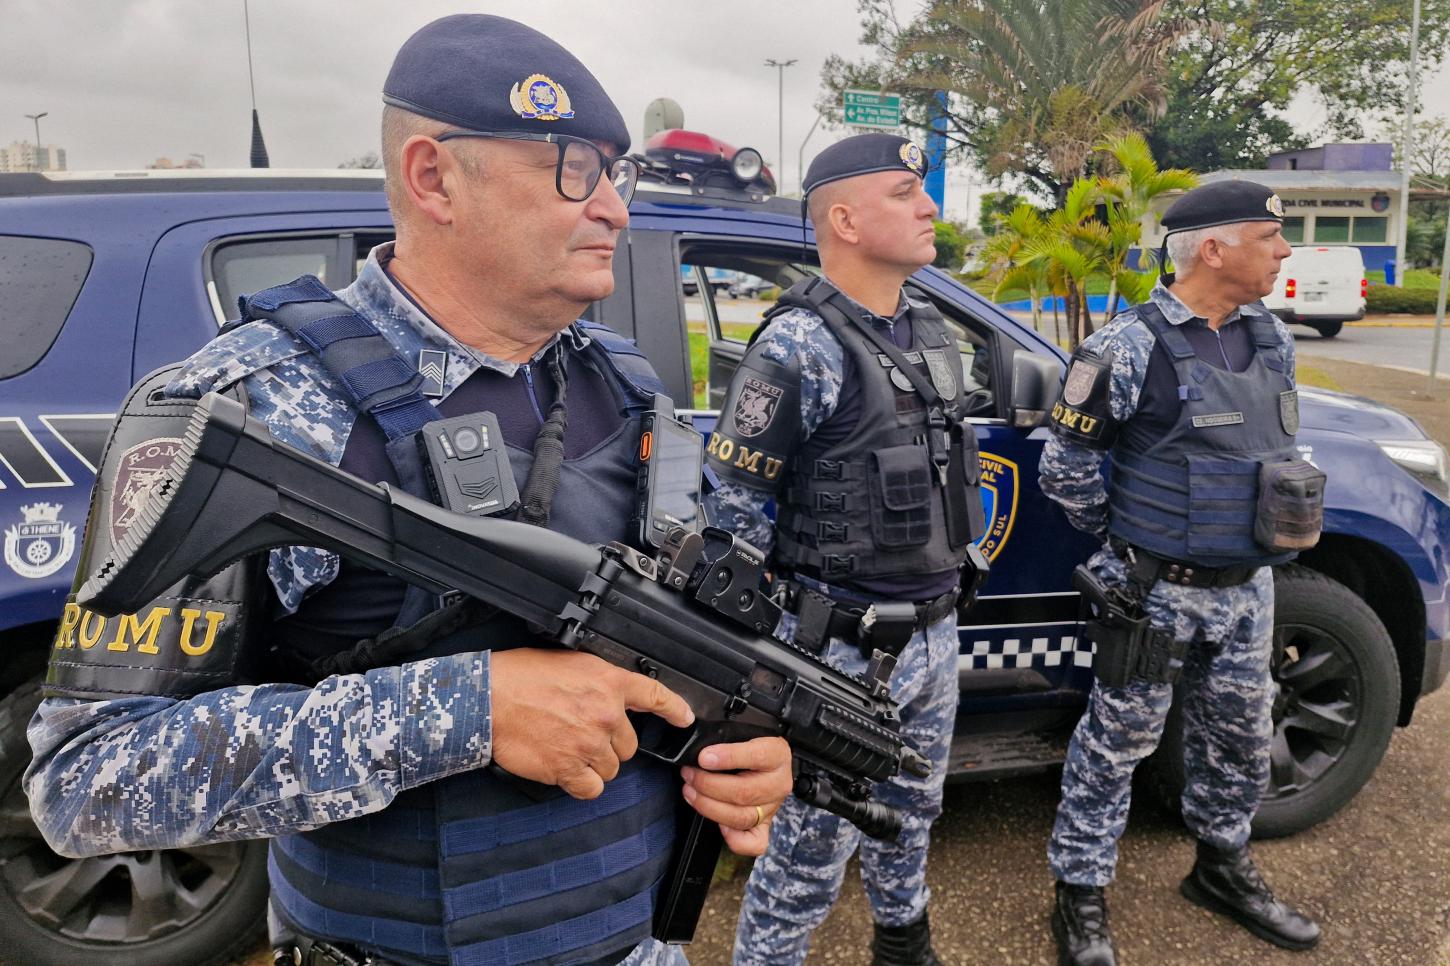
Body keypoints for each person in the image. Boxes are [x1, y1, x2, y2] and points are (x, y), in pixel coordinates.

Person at [26, 15, 792, 966]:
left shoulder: (625, 386)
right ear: (433, 177)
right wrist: (465, 712)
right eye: (575, 169)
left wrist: (747, 756)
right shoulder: (246, 409)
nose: (615, 209)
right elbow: (85, 779)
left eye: (616, 174)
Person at [707, 133, 983, 966]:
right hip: (838, 652)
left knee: (915, 812)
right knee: (806, 854)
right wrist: (763, 668)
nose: (929, 205)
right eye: (905, 191)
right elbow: (734, 516)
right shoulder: (799, 346)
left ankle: (904, 945)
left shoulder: (929, 327)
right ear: (846, 218)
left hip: (933, 631)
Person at [1040, 180, 1325, 965]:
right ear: (1213, 249)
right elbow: (1066, 472)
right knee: (1116, 744)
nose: (1284, 250)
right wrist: (1136, 550)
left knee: (1238, 739)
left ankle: (1221, 868)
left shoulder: (1272, 337)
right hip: (1156, 594)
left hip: (1250, 591)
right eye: (1270, 236)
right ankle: (1080, 893)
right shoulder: (1124, 348)